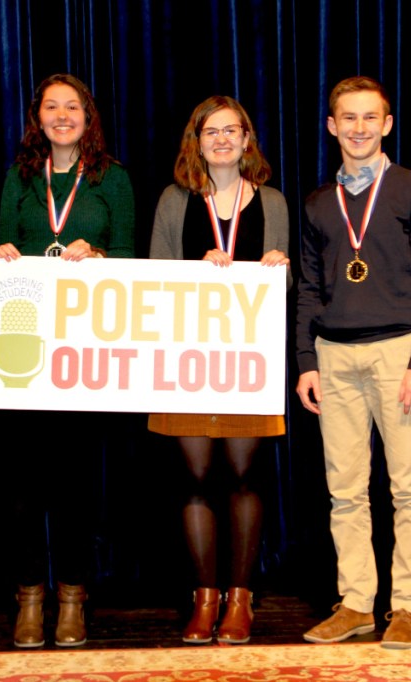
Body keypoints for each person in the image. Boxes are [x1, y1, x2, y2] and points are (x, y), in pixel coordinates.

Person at [295, 77, 411, 649]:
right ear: (332, 126)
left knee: (410, 486)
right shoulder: (317, 202)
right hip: (335, 358)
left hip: (398, 354)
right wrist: (306, 359)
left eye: (370, 118)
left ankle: (408, 605)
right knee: (345, 489)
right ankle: (357, 600)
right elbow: (309, 288)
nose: (359, 128)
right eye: (348, 118)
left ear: (387, 124)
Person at [0, 73, 135, 649]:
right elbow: (3, 243)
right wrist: (4, 253)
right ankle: (30, 596)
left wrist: (99, 255)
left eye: (71, 106)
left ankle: (73, 596)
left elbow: (130, 256)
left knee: (77, 484)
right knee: (25, 485)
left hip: (84, 353)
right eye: (50, 106)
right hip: (26, 354)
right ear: (38, 118)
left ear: (87, 116)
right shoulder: (19, 175)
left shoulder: (113, 179)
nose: (61, 115)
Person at [147, 96, 290, 645]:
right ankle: (204, 598)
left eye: (233, 130)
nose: (223, 139)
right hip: (185, 359)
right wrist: (193, 270)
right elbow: (154, 280)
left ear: (247, 139)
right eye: (213, 131)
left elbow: (291, 287)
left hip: (247, 363)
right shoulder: (174, 199)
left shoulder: (271, 201)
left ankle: (240, 598)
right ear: (197, 140)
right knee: (195, 479)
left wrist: (280, 267)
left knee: (243, 477)